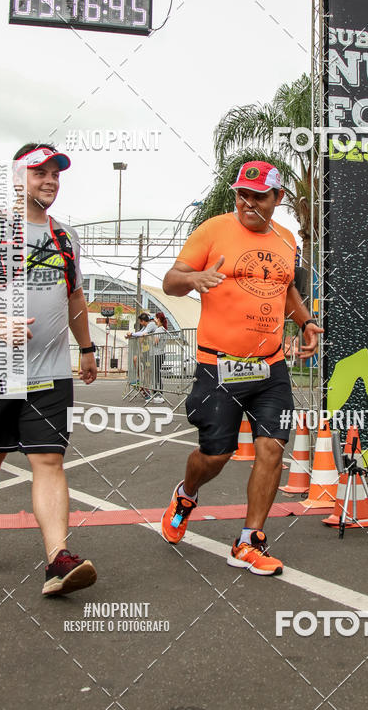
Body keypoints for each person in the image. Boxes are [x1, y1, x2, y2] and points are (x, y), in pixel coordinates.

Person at [161, 161, 322, 575]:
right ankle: (186, 493)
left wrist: (304, 322)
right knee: (217, 454)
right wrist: (195, 279)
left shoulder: (287, 240)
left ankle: (250, 540)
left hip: (270, 367)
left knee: (272, 448)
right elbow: (170, 281)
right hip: (219, 367)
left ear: (277, 198)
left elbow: (285, 288)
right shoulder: (213, 230)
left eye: (258, 196)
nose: (247, 202)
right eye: (241, 194)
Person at [0, 143, 98, 596]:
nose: (50, 180)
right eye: (40, 173)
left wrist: (87, 347)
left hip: (51, 371)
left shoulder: (66, 236)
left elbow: (74, 297)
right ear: (17, 178)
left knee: (49, 459)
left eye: (56, 174)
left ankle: (58, 559)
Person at [126, 311, 157, 399]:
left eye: (140, 321)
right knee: (136, 359)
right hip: (145, 351)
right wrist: (131, 335)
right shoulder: (145, 327)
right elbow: (140, 333)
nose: (140, 323)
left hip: (150, 351)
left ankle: (146, 387)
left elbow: (141, 334)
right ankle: (139, 380)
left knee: (148, 371)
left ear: (143, 321)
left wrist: (132, 334)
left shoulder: (151, 324)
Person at [150, 311, 168, 404]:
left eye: (156, 318)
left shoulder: (159, 330)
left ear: (159, 319)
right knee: (157, 374)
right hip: (161, 353)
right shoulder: (164, 329)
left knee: (156, 374)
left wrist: (150, 338)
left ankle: (158, 393)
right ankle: (158, 393)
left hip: (157, 354)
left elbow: (155, 341)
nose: (154, 320)